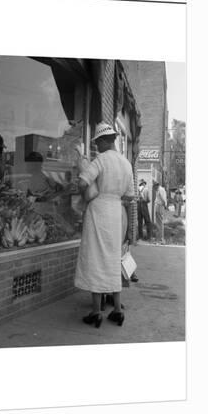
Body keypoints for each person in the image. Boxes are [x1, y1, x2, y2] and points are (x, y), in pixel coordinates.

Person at [74, 122, 135, 328]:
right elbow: (130, 196)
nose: (97, 146)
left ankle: (96, 312)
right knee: (111, 259)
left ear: (103, 140)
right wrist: (114, 199)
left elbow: (83, 181)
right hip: (116, 213)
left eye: (97, 142)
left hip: (98, 211)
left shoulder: (100, 160)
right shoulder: (126, 164)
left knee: (95, 259)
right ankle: (117, 311)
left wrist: (84, 193)